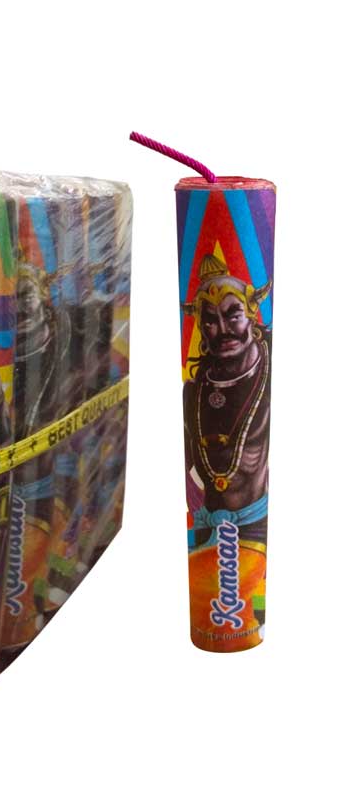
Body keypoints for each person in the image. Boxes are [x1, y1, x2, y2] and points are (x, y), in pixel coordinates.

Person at [182, 253, 271, 647]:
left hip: (257, 527)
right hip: (205, 529)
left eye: (233, 315)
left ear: (251, 313)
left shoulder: (271, 374)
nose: (222, 329)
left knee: (251, 619)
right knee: (210, 620)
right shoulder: (193, 391)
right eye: (210, 320)